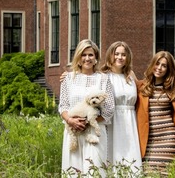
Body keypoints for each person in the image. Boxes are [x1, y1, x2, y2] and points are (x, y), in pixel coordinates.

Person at [58, 39, 115, 177]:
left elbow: (109, 108)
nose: (87, 58)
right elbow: (63, 106)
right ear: (78, 57)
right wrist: (71, 121)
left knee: (94, 172)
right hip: (73, 132)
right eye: (84, 55)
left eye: (91, 55)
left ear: (96, 58)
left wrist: (87, 122)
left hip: (95, 132)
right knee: (73, 171)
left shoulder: (103, 79)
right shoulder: (68, 79)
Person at [135, 51, 175, 175]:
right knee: (149, 174)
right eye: (157, 64)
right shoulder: (141, 86)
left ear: (168, 69)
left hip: (168, 140)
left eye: (164, 65)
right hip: (148, 141)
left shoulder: (174, 88)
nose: (159, 68)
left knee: (168, 174)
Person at [99, 41, 142, 174]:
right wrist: (70, 76)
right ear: (110, 55)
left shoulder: (131, 75)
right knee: (112, 157)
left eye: (123, 54)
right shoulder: (103, 76)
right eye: (116, 54)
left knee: (130, 158)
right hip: (112, 122)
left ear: (127, 57)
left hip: (130, 122)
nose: (119, 57)